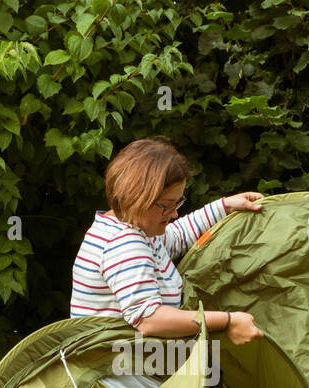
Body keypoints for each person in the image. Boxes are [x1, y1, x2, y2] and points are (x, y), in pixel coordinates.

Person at [70, 136, 265, 344]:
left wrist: (225, 206)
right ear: (137, 197)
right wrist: (228, 321)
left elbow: (177, 235)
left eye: (177, 203)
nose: (174, 214)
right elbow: (151, 320)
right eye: (166, 205)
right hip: (112, 371)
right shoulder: (123, 243)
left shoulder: (134, 230)